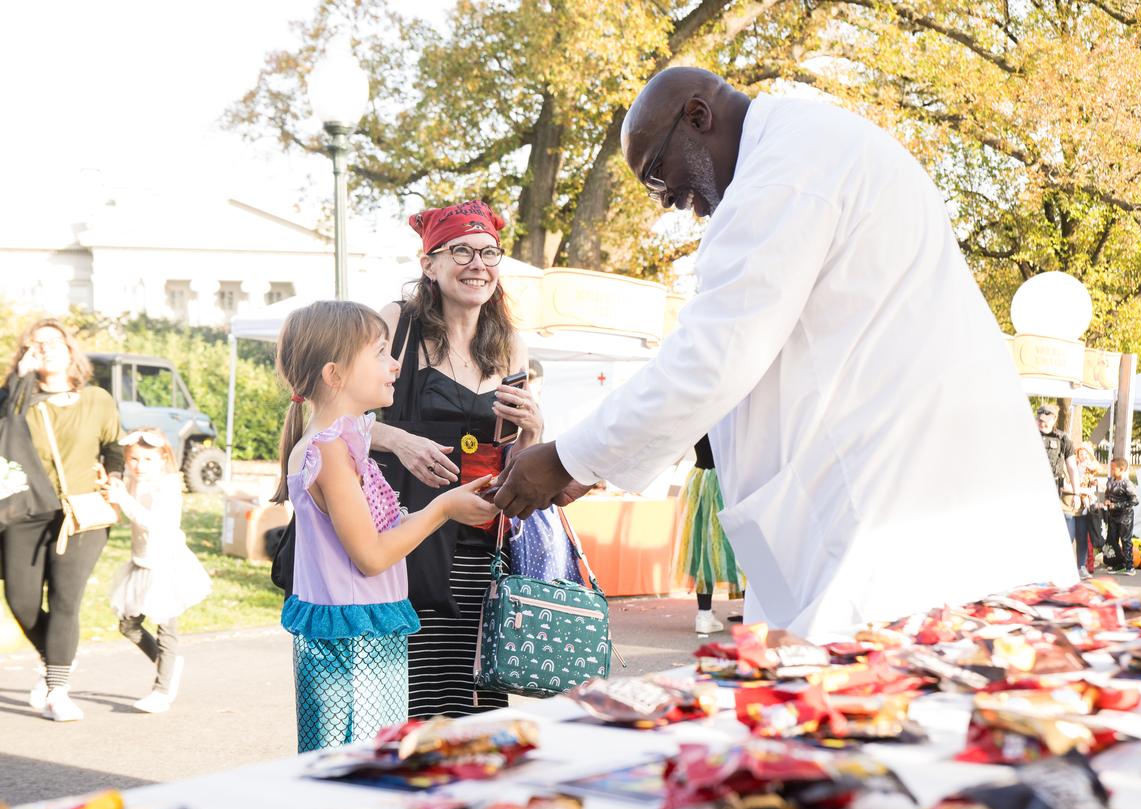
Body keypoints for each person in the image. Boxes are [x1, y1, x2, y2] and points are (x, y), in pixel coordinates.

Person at [491, 67, 1075, 640]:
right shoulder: (804, 149)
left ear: (699, 116)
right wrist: (592, 469)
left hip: (891, 521)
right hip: (886, 505)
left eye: (656, 174)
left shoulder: (785, 174)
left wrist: (569, 458)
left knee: (871, 705)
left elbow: (715, 358)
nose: (666, 200)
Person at [274, 300, 497, 752]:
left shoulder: (347, 444)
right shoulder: (330, 451)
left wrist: (452, 504)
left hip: (364, 639)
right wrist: (441, 511)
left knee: (373, 766)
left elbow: (379, 534)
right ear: (334, 375)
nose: (394, 364)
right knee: (361, 770)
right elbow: (372, 556)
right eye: (379, 353)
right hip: (353, 650)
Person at [371, 200, 543, 718]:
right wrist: (399, 440)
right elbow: (333, 420)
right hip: (410, 534)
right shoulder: (396, 324)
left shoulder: (508, 344)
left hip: (482, 539)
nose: (478, 264)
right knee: (413, 692)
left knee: (476, 692)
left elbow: (517, 459)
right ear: (429, 264)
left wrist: (534, 432)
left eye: (489, 252)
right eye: (461, 251)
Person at [0, 319, 122, 721]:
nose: (46, 348)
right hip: (25, 510)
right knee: (21, 601)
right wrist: (17, 380)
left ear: (71, 351)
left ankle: (57, 689)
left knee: (66, 599)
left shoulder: (97, 399)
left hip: (82, 512)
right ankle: (54, 660)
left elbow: (113, 445)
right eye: (36, 344)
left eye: (54, 342)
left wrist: (115, 476)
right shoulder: (19, 401)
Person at [105, 428, 212, 713]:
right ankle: (168, 664)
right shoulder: (133, 480)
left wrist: (123, 500)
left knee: (166, 627)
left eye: (148, 459)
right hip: (141, 562)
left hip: (166, 563)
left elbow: (153, 522)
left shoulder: (167, 486)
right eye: (134, 459)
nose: (139, 466)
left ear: (163, 457)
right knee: (128, 624)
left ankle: (162, 690)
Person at [675, 435, 745, 634]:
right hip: (728, 480)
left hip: (701, 479)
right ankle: (753, 612)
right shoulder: (732, 410)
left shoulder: (702, 408)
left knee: (702, 547)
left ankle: (704, 614)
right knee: (742, 544)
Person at [1036, 404, 1080, 537]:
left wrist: (1076, 494)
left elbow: (1072, 468)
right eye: (1039, 420)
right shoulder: (1029, 435)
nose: (1042, 424)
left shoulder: (1063, 439)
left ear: (1054, 419)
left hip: (1053, 488)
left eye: (1045, 421)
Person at [1073, 442, 1106, 577]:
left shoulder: (1091, 467)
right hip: (1077, 502)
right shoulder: (1075, 467)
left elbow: (1098, 470)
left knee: (1086, 538)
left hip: (1088, 505)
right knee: (1078, 537)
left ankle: (1087, 565)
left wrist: (1094, 482)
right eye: (1081, 454)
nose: (1083, 457)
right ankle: (1083, 564)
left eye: (1086, 454)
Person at [1103, 457, 1139, 575]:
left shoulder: (1127, 484)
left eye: (1113, 469)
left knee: (1125, 540)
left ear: (1122, 469)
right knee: (1112, 540)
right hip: (1112, 516)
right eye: (1111, 468)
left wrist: (1117, 505)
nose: (1111, 471)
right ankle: (1118, 564)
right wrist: (1107, 501)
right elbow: (1107, 495)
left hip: (1125, 517)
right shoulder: (1110, 482)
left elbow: (1134, 501)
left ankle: (1129, 566)